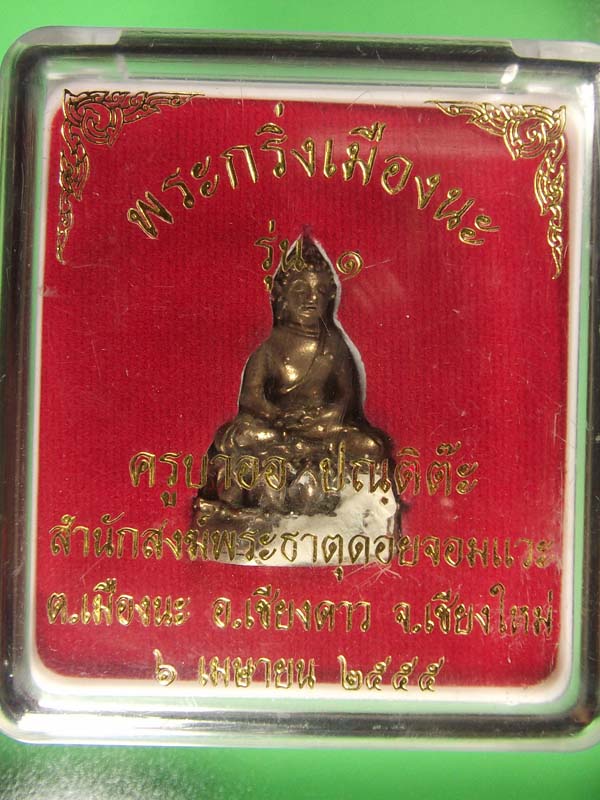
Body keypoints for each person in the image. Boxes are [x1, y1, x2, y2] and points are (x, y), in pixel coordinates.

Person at [198, 233, 392, 517]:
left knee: (370, 446)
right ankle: (292, 462)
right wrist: (275, 415)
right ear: (282, 296)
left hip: (321, 430)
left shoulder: (334, 346)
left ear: (330, 296)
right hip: (277, 427)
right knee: (239, 436)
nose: (310, 298)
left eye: (319, 291)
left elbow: (346, 399)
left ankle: (301, 458)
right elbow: (251, 397)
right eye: (300, 290)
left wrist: (325, 419)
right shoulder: (271, 347)